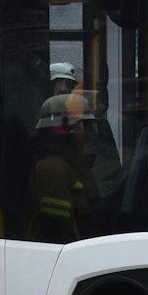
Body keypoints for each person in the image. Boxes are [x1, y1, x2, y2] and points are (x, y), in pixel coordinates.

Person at [29, 92, 100, 243]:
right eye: (81, 125)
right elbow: (59, 231)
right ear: (63, 129)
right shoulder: (53, 169)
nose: (85, 131)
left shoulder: (74, 164)